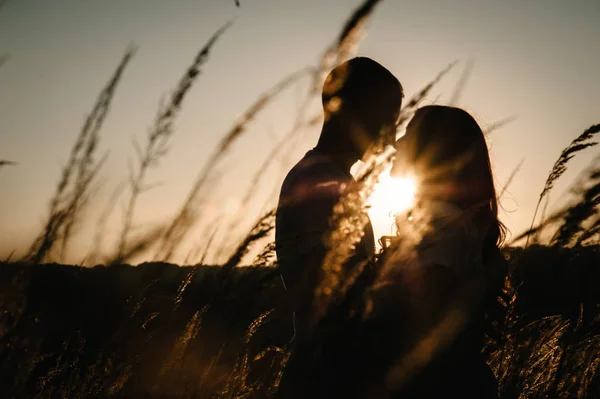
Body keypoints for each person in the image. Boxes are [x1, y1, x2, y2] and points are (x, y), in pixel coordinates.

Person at [365, 105, 508, 398]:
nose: (397, 143)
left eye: (409, 134)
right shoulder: (445, 222)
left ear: (434, 151)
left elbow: (416, 328)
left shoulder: (445, 228)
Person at [275, 57, 403, 339]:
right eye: (388, 120)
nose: (393, 139)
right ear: (353, 113)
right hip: (325, 373)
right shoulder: (318, 183)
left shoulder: (334, 179)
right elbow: (332, 299)